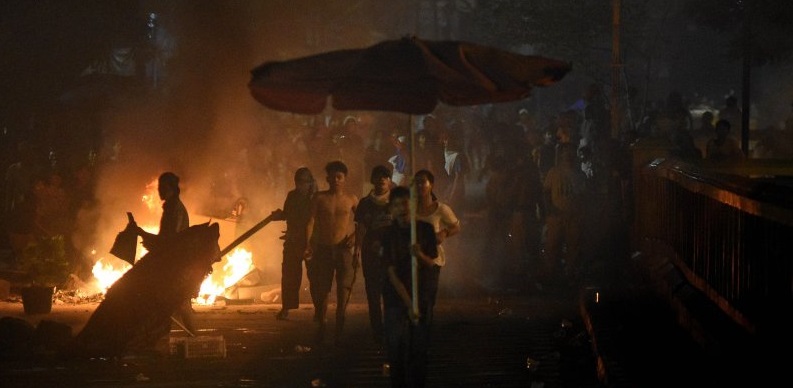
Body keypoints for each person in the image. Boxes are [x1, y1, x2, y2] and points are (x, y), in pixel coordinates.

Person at [380, 185, 438, 388]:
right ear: (391, 210)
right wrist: (408, 304)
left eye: (405, 203)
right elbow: (391, 273)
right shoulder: (388, 235)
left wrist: (419, 254)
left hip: (422, 296)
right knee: (395, 350)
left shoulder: (425, 229)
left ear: (413, 205)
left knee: (419, 351)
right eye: (396, 205)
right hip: (396, 299)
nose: (401, 208)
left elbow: (432, 262)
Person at [303, 160, 359, 345]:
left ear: (344, 179)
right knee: (322, 288)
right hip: (323, 248)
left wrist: (355, 236)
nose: (335, 180)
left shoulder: (351, 199)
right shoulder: (319, 198)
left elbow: (362, 223)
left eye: (339, 177)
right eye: (332, 177)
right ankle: (322, 321)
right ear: (327, 178)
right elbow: (310, 222)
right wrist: (307, 244)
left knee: (343, 287)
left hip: (343, 248)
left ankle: (340, 323)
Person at [133, 171, 195, 334]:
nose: (159, 190)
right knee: (172, 304)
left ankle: (196, 339)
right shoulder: (171, 207)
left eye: (162, 187)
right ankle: (190, 337)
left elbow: (169, 240)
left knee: (177, 303)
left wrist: (144, 235)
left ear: (171, 188)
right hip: (173, 264)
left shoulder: (175, 209)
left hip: (175, 265)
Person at [413, 169, 460, 327]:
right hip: (412, 258)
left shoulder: (441, 209)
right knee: (414, 298)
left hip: (432, 260)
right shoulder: (409, 208)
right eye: (417, 182)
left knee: (427, 299)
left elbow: (456, 226)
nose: (420, 185)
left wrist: (445, 233)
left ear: (431, 185)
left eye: (423, 182)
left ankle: (424, 332)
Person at [354, 164, 394, 345]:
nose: (382, 179)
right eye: (378, 176)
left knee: (392, 293)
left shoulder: (397, 201)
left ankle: (392, 329)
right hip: (371, 256)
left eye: (385, 176)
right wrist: (357, 250)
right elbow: (360, 228)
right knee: (373, 294)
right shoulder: (365, 203)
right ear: (373, 180)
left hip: (393, 255)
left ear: (390, 180)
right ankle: (377, 332)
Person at [271, 167, 316, 320]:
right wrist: (279, 215)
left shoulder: (316, 198)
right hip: (293, 241)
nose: (300, 185)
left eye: (304, 182)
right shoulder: (292, 196)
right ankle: (286, 308)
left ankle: (319, 309)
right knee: (289, 276)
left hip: (312, 242)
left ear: (310, 183)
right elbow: (288, 214)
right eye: (298, 182)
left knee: (315, 277)